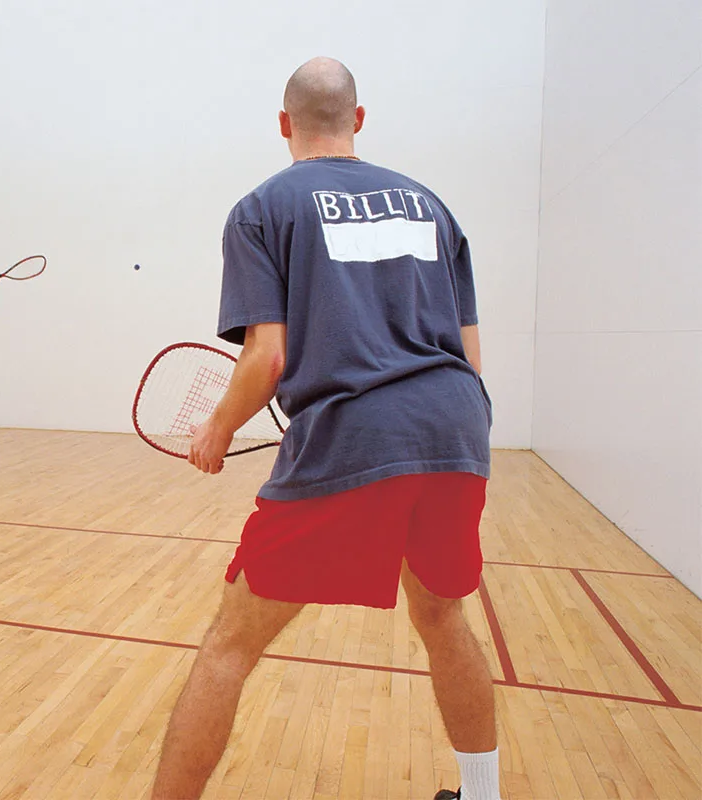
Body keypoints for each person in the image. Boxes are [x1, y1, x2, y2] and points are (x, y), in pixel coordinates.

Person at [150, 57, 498, 800]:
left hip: (359, 434)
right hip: (459, 426)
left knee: (229, 645)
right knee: (442, 614)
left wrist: (216, 428)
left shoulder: (264, 207)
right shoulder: (433, 206)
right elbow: (470, 352)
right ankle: (485, 793)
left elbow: (267, 355)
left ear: (284, 124)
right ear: (359, 120)